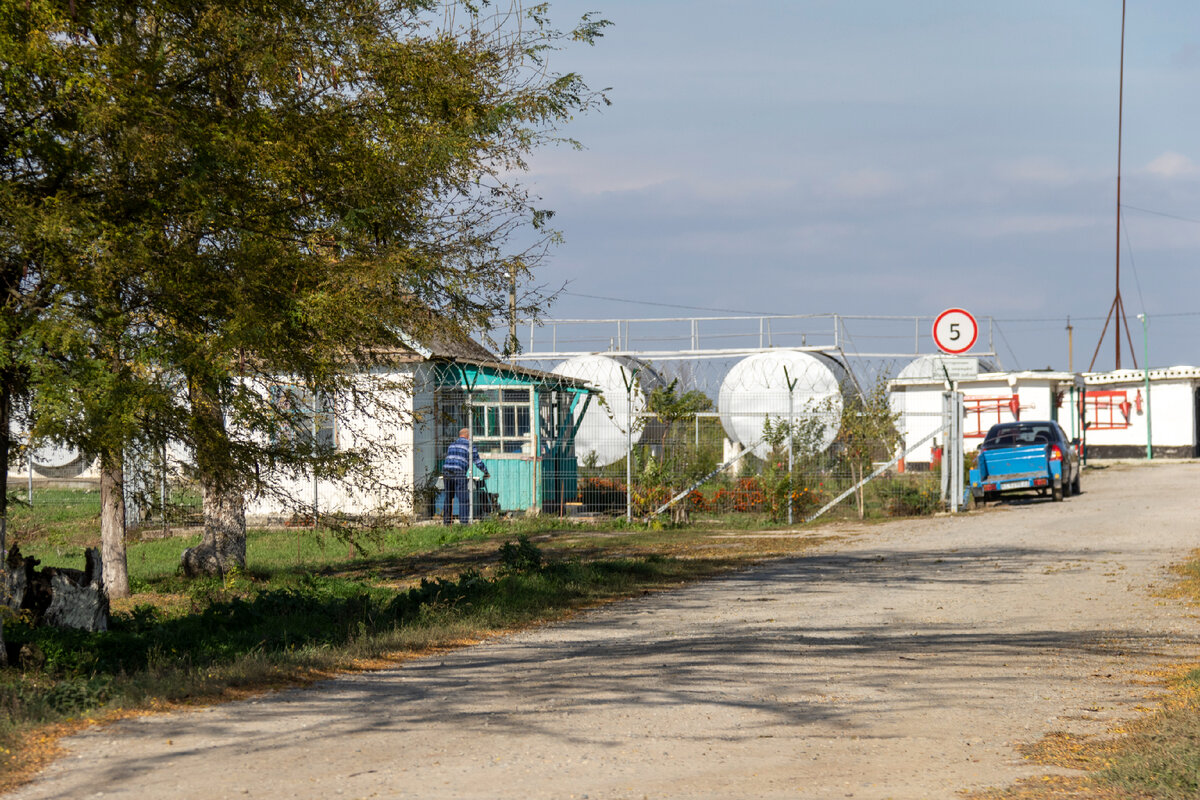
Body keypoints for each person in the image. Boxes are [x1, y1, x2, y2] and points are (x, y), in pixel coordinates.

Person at [442, 427, 489, 524]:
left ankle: (446, 522)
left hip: (446, 471)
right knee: (464, 498)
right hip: (459, 472)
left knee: (448, 497)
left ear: (460, 435)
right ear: (468, 436)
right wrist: (485, 472)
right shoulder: (470, 445)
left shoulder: (452, 445)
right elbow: (477, 461)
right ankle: (464, 523)